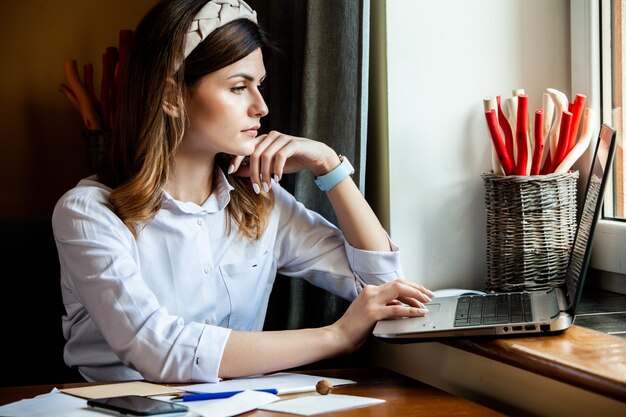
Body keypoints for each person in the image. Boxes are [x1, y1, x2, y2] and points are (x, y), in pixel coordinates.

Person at [52, 0, 433, 383]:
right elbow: (160, 350)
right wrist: (337, 336)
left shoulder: (259, 202)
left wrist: (328, 166)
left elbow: (385, 288)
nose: (261, 107)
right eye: (238, 87)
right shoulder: (88, 213)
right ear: (171, 97)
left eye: (259, 86)